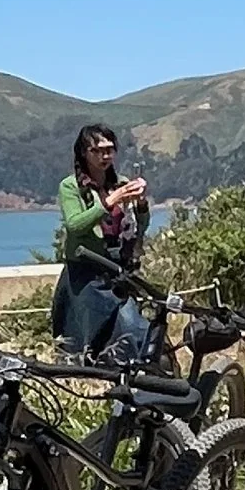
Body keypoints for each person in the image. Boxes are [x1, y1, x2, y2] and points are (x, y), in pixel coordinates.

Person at [52, 124, 151, 360]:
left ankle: (139, 375)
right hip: (87, 272)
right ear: (84, 153)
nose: (105, 156)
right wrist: (108, 202)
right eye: (97, 150)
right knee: (89, 338)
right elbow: (75, 225)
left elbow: (141, 226)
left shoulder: (121, 183)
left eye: (109, 150)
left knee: (133, 325)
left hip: (118, 269)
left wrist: (142, 204)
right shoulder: (70, 186)